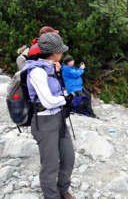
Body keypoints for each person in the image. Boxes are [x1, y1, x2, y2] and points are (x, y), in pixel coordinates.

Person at [22, 32, 75, 199]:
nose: (62, 53)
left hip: (58, 118)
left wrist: (63, 96)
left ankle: (63, 190)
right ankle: (52, 196)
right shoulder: (37, 71)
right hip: (44, 121)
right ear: (53, 52)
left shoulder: (51, 67)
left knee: (68, 158)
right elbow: (48, 101)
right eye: (60, 50)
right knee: (50, 164)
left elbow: (57, 94)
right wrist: (65, 99)